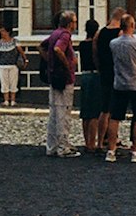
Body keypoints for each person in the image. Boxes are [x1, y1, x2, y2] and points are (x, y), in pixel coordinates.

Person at [104, 13, 136, 164]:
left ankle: (111, 150)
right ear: (132, 26)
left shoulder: (113, 43)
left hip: (119, 83)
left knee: (115, 117)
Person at [43, 10, 80, 157]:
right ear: (70, 23)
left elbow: (42, 46)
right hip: (64, 78)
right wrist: (67, 64)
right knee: (63, 113)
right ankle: (63, 147)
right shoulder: (65, 35)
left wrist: (49, 62)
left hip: (54, 76)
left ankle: (51, 146)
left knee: (54, 113)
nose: (76, 24)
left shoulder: (55, 33)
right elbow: (58, 49)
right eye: (75, 21)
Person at [96, 5, 126, 150]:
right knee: (114, 110)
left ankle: (100, 142)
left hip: (104, 72)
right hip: (117, 73)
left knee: (104, 109)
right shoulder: (120, 33)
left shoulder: (100, 32)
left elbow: (95, 52)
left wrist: (100, 67)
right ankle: (113, 141)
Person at [77, 19, 103, 153]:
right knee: (94, 112)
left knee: (85, 111)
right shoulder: (96, 45)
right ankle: (92, 143)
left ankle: (86, 141)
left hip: (84, 76)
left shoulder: (82, 44)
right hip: (95, 76)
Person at [0, 21, 26, 107]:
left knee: (13, 82)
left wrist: (25, 60)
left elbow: (21, 52)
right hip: (2, 65)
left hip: (13, 65)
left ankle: (13, 100)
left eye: (3, 31)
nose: (2, 33)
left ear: (8, 32)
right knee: (4, 83)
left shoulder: (15, 41)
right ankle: (6, 100)